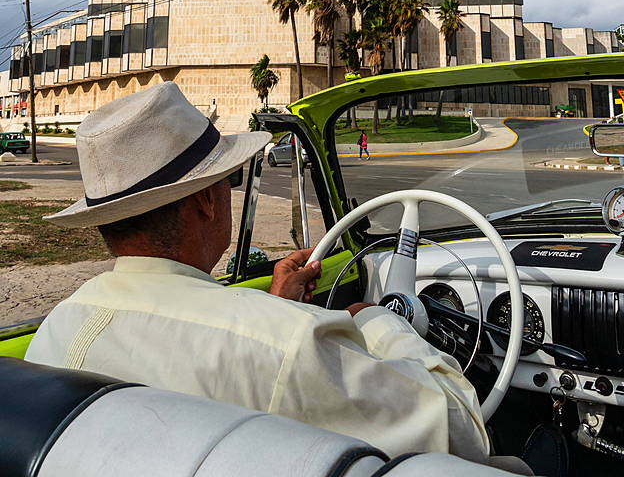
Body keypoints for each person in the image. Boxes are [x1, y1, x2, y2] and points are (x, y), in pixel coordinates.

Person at [26, 82, 529, 473]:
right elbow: (460, 429)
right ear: (205, 200)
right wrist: (380, 321)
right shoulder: (286, 343)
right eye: (229, 180)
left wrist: (277, 306)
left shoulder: (56, 330)